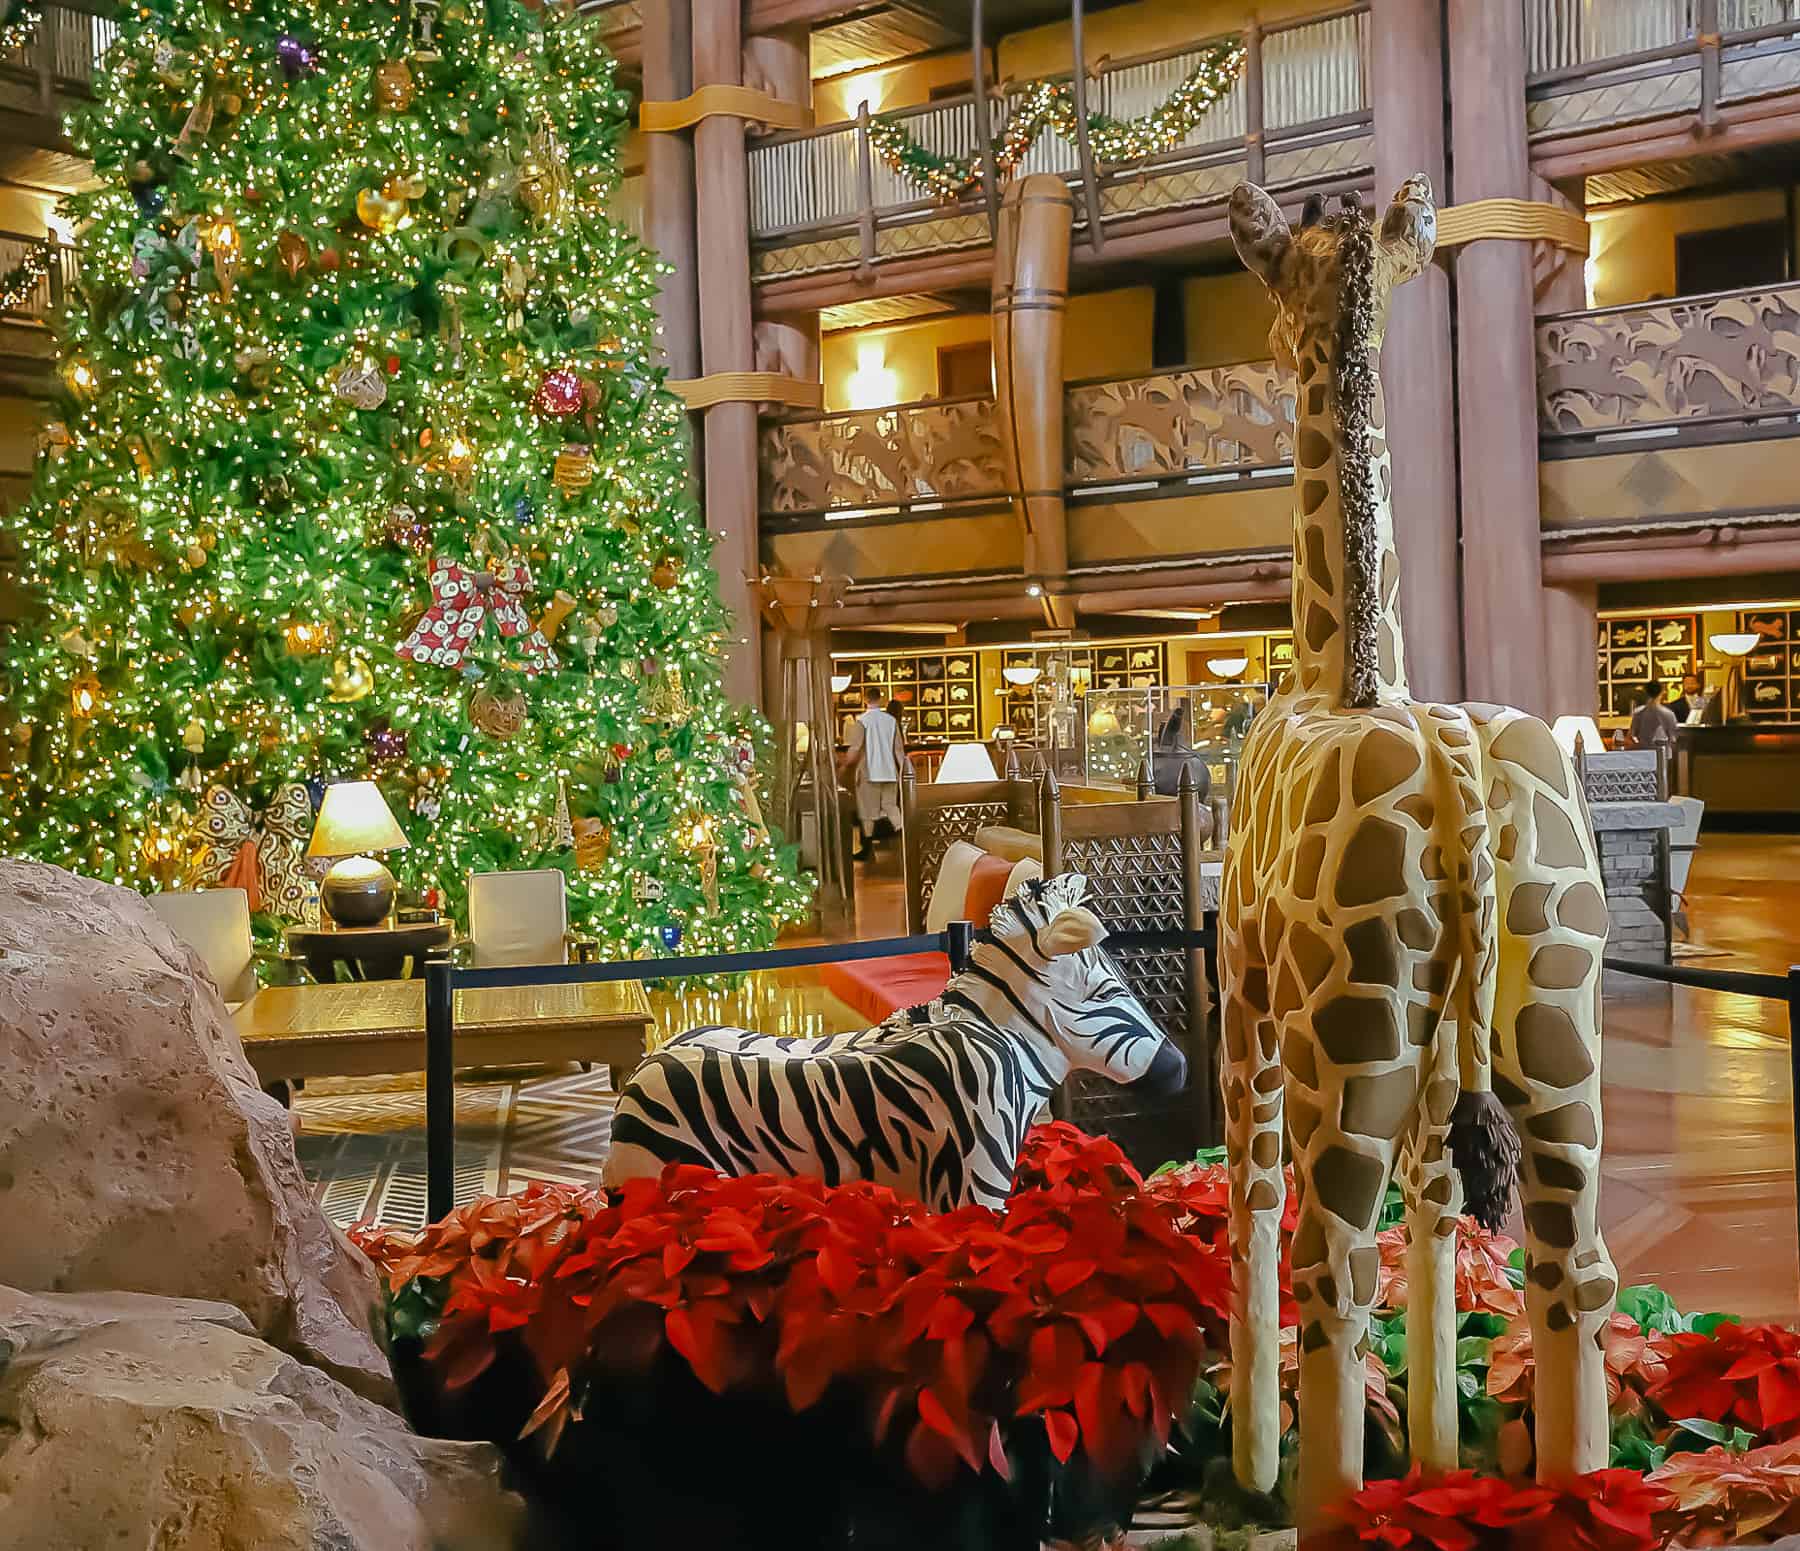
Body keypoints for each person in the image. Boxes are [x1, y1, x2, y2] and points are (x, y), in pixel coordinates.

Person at [839, 690, 904, 860]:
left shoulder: (862, 721)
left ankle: (866, 849)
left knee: (868, 812)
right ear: (881, 700)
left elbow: (855, 748)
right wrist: (903, 770)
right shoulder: (891, 721)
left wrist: (845, 766)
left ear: (866, 700)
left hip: (868, 773)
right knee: (891, 807)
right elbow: (898, 749)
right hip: (890, 772)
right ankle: (905, 839)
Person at [1629, 681, 1679, 749]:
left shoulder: (1638, 712)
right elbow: (1673, 737)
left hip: (1643, 752)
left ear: (1645, 692)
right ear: (1662, 692)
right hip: (1663, 753)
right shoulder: (1668, 714)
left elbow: (1633, 735)